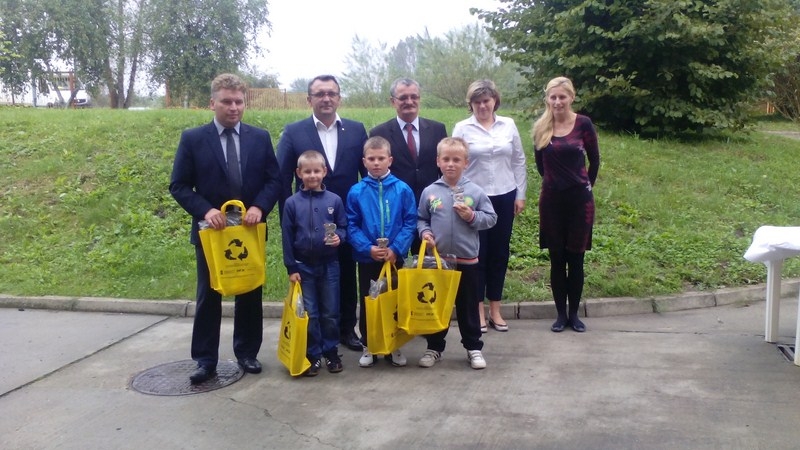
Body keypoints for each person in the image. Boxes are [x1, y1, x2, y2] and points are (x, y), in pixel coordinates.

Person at [170, 73, 282, 384]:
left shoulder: (259, 137)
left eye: (238, 102)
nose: (233, 107)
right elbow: (179, 185)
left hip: (248, 230)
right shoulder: (193, 139)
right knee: (209, 295)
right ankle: (205, 360)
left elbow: (274, 180)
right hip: (212, 233)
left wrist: (259, 207)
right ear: (212, 103)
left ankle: (247, 352)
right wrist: (206, 210)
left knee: (250, 291)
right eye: (226, 102)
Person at [277, 75, 368, 352]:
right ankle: (313, 335)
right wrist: (288, 222)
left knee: (346, 274)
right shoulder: (294, 132)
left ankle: (346, 329)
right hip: (308, 223)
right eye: (319, 94)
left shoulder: (356, 130)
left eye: (331, 93)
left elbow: (366, 176)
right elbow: (282, 180)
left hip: (346, 219)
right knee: (312, 282)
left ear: (339, 98)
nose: (326, 98)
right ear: (309, 99)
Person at [452, 79, 527, 333]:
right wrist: (458, 198)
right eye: (477, 102)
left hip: (504, 195)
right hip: (474, 199)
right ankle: (478, 311)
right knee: (477, 255)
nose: (482, 106)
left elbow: (518, 160)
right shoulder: (462, 128)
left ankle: (496, 309)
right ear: (470, 104)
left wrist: (520, 194)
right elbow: (455, 163)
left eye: (486, 101)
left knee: (499, 253)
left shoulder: (509, 125)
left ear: (495, 100)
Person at [416, 137, 497, 370]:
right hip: (439, 261)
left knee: (468, 306)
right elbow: (421, 218)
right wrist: (425, 233)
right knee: (436, 305)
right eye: (446, 159)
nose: (451, 164)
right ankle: (434, 347)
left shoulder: (475, 191)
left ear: (466, 163)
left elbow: (491, 218)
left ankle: (473, 347)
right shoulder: (430, 191)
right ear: (438, 161)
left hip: (467, 260)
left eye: (456, 160)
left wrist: (471, 216)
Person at [532, 76, 600, 333]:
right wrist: (556, 183)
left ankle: (574, 314)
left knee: (576, 259)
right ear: (547, 99)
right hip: (551, 202)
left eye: (562, 96)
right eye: (553, 97)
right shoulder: (541, 127)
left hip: (580, 202)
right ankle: (560, 314)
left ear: (571, 97)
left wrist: (585, 185)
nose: (557, 101)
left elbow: (594, 160)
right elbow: (540, 166)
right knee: (557, 259)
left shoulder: (583, 124)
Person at [345, 136, 417, 368]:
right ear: (364, 161)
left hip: (394, 258)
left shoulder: (402, 189)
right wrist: (367, 248)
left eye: (381, 158)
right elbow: (351, 224)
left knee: (394, 301)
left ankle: (394, 345)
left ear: (390, 160)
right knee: (370, 301)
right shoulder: (356, 191)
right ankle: (369, 344)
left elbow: (410, 222)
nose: (376, 163)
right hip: (368, 258)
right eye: (371, 158)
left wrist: (396, 248)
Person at [281, 151, 349, 376]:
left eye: (316, 171)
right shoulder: (291, 203)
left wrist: (339, 237)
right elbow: (287, 236)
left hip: (330, 265)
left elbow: (343, 227)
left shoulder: (334, 200)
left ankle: (331, 351)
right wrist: (291, 267)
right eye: (307, 171)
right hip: (303, 267)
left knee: (330, 311)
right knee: (311, 312)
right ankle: (313, 353)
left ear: (324, 172)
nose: (312, 175)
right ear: (298, 173)